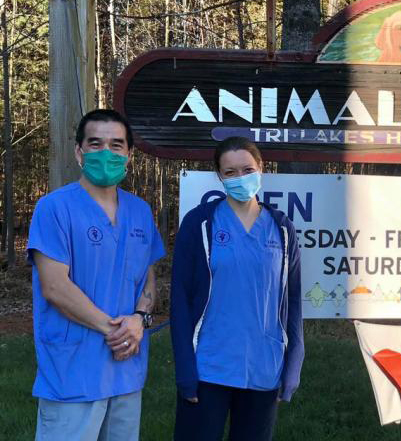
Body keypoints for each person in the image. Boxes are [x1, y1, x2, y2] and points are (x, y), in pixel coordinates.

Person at [27, 109, 165, 441]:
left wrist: (139, 318)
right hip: (73, 371)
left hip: (126, 371)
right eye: (96, 143)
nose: (107, 153)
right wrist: (115, 330)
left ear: (129, 154)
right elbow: (55, 287)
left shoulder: (140, 211)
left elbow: (147, 278)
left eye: (116, 145)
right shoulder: (54, 208)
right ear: (79, 151)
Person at [170, 137, 303, 441]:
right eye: (230, 172)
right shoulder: (199, 224)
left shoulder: (281, 228)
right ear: (219, 176)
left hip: (264, 366)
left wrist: (294, 362)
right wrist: (185, 370)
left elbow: (292, 299)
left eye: (247, 169)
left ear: (261, 169)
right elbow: (180, 300)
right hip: (209, 367)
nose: (240, 178)